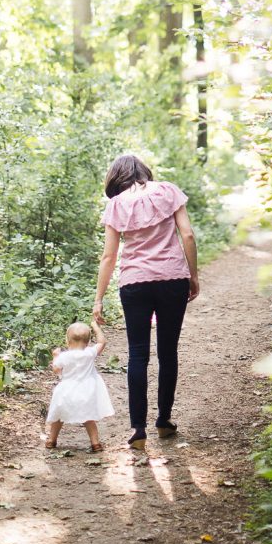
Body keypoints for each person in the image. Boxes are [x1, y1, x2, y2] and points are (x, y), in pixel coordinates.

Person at [93, 154, 199, 452]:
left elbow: (109, 256)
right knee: (168, 351)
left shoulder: (116, 204)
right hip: (172, 279)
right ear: (145, 172)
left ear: (116, 177)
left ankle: (138, 429)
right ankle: (164, 421)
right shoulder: (168, 191)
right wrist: (193, 275)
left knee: (137, 354)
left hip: (134, 283)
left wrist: (98, 299)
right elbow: (187, 235)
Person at [45, 319, 114, 451]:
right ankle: (95, 443)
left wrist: (55, 356)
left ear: (67, 341)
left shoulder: (64, 356)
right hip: (86, 392)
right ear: (88, 342)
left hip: (66, 391)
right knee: (89, 418)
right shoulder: (89, 353)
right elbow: (102, 342)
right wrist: (95, 326)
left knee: (58, 417)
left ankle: (51, 440)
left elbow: (56, 370)